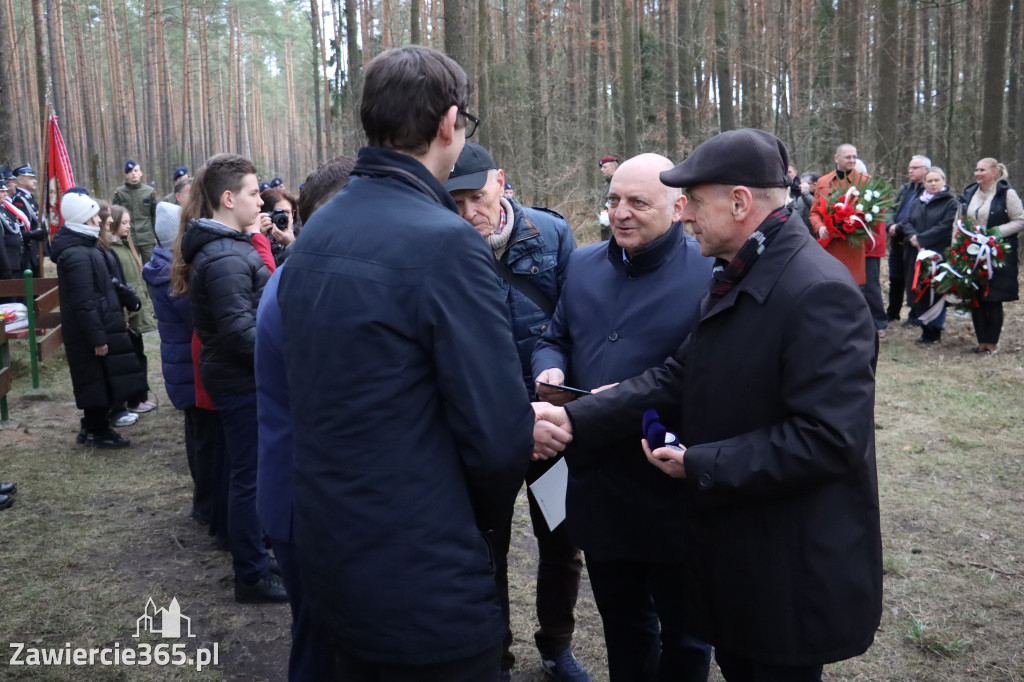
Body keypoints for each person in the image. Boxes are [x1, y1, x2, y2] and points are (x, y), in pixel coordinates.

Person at [534, 129, 882, 682]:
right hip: (741, 547)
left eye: (694, 201)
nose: (687, 215)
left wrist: (700, 463)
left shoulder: (817, 291)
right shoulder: (741, 275)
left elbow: (829, 439)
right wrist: (574, 415)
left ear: (740, 202)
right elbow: (676, 377)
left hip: (787, 564)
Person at [276, 45, 533, 682]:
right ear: (450, 123)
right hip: (424, 574)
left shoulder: (318, 231)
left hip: (333, 550)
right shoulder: (444, 243)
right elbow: (498, 440)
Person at [533, 153, 713, 682]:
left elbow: (701, 376)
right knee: (623, 625)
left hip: (667, 482)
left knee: (684, 632)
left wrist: (619, 401)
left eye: (638, 202)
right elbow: (555, 336)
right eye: (613, 200)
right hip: (599, 482)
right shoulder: (585, 263)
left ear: (679, 207)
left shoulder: (708, 269)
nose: (621, 213)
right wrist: (549, 370)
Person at [444, 142, 586, 682]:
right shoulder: (444, 246)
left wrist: (564, 407)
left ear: (501, 182)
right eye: (454, 201)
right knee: (488, 548)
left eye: (477, 197)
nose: (468, 213)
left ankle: (557, 644)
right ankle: (495, 655)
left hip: (550, 430)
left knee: (561, 540)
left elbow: (577, 325)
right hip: (490, 434)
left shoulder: (551, 235)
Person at [256, 157, 356, 682]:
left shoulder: (306, 276)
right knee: (324, 650)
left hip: (305, 499)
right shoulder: (306, 291)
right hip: (308, 506)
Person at [173, 153, 286, 603]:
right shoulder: (222, 256)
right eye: (254, 192)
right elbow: (242, 334)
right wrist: (289, 352)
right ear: (227, 198)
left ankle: (256, 552)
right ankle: (251, 575)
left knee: (252, 471)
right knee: (249, 476)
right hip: (242, 382)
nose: (260, 200)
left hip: (243, 379)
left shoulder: (230, 247)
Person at [50, 188, 147, 448]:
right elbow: (84, 301)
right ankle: (96, 430)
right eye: (94, 217)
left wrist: (125, 297)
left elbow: (104, 285)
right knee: (95, 380)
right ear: (83, 219)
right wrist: (97, 337)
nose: (99, 222)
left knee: (102, 379)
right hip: (91, 332)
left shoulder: (87, 248)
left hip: (102, 324)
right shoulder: (77, 255)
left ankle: (94, 427)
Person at [144, 201, 218, 527]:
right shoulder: (169, 274)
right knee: (202, 442)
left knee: (198, 438)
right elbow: (198, 316)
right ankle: (205, 505)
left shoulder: (166, 267)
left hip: (185, 368)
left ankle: (204, 502)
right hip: (189, 368)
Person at [959, 157, 1024, 354]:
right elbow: (960, 221)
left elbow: (1020, 221)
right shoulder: (970, 193)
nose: (977, 173)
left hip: (998, 253)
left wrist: (994, 233)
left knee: (993, 298)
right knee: (976, 297)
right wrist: (958, 245)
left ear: (994, 172)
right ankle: (981, 342)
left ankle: (992, 344)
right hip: (972, 253)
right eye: (976, 169)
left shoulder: (1007, 194)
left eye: (982, 170)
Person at [902, 167, 958, 345]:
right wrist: (913, 237)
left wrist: (923, 239)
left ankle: (935, 330)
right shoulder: (918, 201)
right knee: (920, 290)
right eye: (929, 181)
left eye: (936, 180)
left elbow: (946, 226)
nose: (933, 184)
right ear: (924, 183)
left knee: (936, 292)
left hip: (938, 254)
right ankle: (924, 329)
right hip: (916, 253)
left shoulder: (950, 202)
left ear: (943, 181)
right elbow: (906, 221)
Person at [808, 143, 868, 284]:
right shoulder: (823, 182)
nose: (852, 160)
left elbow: (871, 215)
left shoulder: (864, 182)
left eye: (854, 157)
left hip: (852, 247)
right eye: (848, 157)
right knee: (829, 284)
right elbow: (814, 213)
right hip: (828, 244)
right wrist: (820, 227)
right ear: (837, 158)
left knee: (851, 287)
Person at [886, 155, 930, 324]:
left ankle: (915, 314)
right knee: (895, 278)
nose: (910, 171)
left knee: (914, 278)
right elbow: (891, 208)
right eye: (909, 168)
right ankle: (892, 312)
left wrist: (901, 228)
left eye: (914, 168)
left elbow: (917, 216)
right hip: (896, 239)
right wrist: (890, 224)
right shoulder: (905, 188)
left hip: (913, 241)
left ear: (925, 170)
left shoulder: (928, 191)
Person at [108, 205, 158, 334]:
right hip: (128, 311)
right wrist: (123, 317)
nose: (129, 226)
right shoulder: (111, 251)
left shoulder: (127, 246)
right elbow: (116, 285)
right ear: (112, 223)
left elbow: (139, 280)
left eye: (129, 222)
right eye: (124, 223)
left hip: (138, 307)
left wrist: (148, 305)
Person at [113, 159, 158, 263]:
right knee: (133, 267)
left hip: (147, 237)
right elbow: (115, 216)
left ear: (141, 173)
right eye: (130, 171)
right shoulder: (120, 193)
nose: (133, 173)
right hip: (128, 237)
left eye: (136, 170)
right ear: (126, 175)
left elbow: (154, 215)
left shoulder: (149, 191)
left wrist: (156, 236)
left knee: (150, 267)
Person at [10, 165, 46, 278]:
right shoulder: (19, 199)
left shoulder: (29, 198)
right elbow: (25, 225)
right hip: (29, 248)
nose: (35, 181)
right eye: (31, 178)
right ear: (20, 180)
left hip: (35, 247)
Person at [258, 187, 298, 266]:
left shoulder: (303, 237)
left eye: (286, 212)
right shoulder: (254, 239)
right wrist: (260, 238)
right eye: (276, 213)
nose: (282, 217)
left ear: (293, 214)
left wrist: (292, 244)